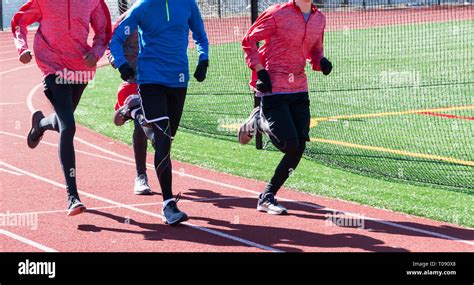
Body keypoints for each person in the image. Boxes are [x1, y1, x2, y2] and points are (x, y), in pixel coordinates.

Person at [109, 0, 209, 225]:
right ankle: (168, 204)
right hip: (150, 78)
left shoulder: (187, 4)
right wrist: (122, 64)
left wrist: (204, 59)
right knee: (162, 141)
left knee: (166, 138)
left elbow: (200, 35)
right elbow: (116, 39)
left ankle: (135, 110)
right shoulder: (143, 7)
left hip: (178, 79)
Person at [12, 0, 111, 216]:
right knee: (68, 128)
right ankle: (72, 196)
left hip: (80, 70)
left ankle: (40, 124)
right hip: (52, 66)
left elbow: (103, 31)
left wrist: (96, 52)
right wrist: (23, 48)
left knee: (62, 121)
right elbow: (20, 21)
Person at [240, 0, 333, 215]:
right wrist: (260, 71)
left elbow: (315, 52)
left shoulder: (319, 19)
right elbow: (249, 40)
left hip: (299, 89)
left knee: (298, 146)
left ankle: (267, 197)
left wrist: (321, 62)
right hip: (274, 87)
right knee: (289, 143)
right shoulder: (277, 14)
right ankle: (259, 121)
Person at [107, 10, 151, 195]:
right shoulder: (128, 18)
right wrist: (119, 63)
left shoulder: (165, 12)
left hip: (159, 76)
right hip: (133, 77)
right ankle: (141, 176)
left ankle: (127, 111)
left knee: (163, 127)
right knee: (140, 124)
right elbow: (111, 45)